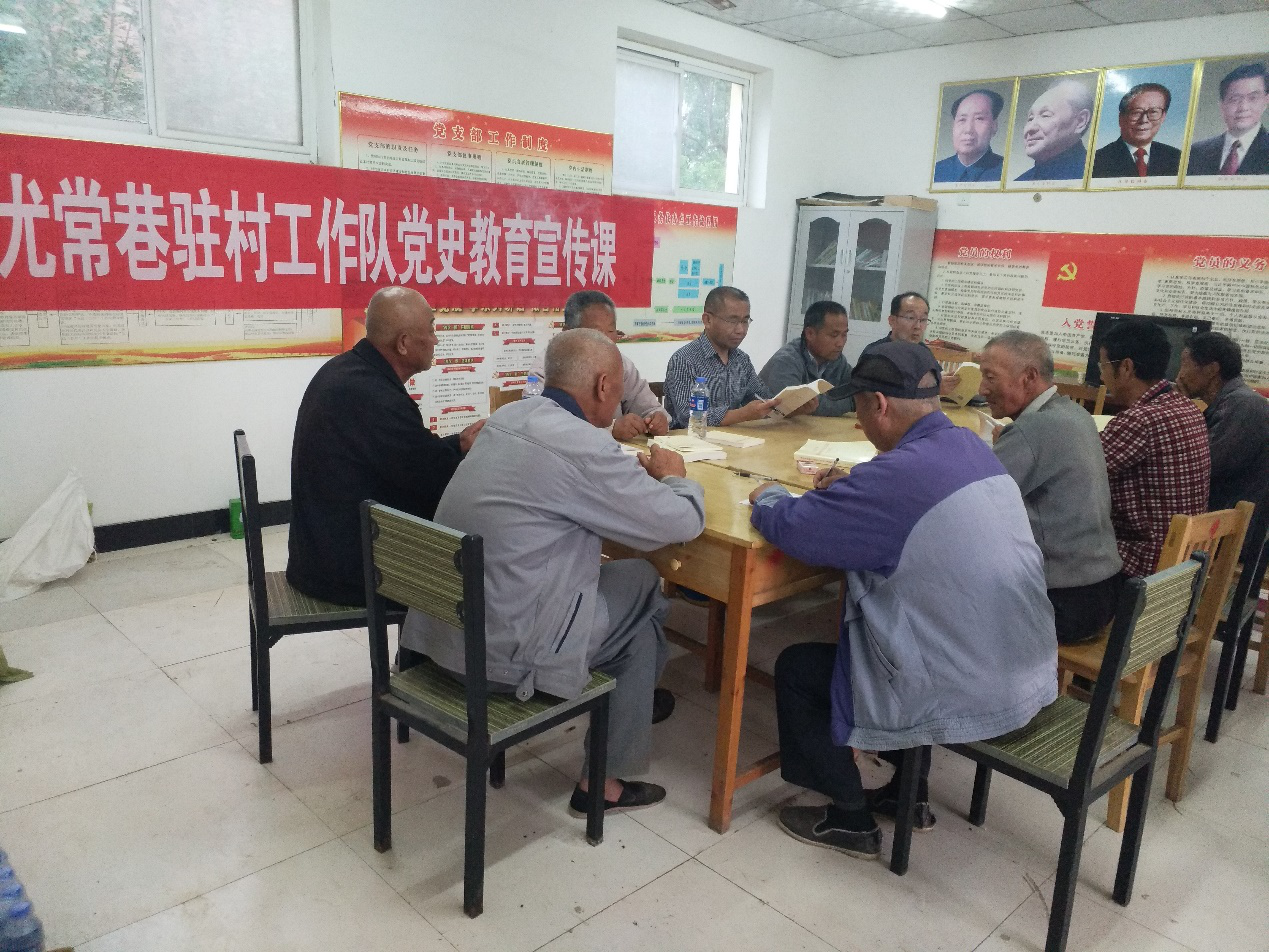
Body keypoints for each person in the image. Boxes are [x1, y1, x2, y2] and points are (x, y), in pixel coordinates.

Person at [749, 341, 1057, 858]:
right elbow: (905, 499)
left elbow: (798, 528)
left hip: (969, 685)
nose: (858, 423)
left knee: (800, 669)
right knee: (916, 637)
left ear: (878, 404)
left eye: (859, 409)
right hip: (1026, 664)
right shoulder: (970, 447)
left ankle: (849, 817)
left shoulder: (894, 478)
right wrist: (858, 489)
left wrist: (768, 496)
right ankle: (908, 795)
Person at [401, 328, 706, 816]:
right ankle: (606, 770)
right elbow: (680, 523)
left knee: (637, 600)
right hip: (502, 656)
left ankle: (623, 733)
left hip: (443, 629)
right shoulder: (582, 447)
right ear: (604, 386)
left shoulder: (508, 417)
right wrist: (674, 477)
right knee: (644, 597)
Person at [287, 287, 483, 606]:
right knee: (482, 568)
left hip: (319, 555)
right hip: (347, 573)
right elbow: (432, 481)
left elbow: (411, 457)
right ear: (403, 343)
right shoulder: (372, 396)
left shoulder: (349, 372)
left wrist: (459, 443)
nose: (435, 340)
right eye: (431, 329)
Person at [978, 331, 1124, 645]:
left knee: (942, 602)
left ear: (1029, 377)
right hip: (1104, 589)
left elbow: (971, 499)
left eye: (990, 377)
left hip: (1063, 602)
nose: (981, 389)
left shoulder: (1035, 428)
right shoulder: (1076, 414)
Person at [1098, 322, 1210, 578]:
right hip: (1185, 562)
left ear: (1126, 367)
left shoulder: (1139, 421)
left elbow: (1074, 475)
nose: (1102, 376)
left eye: (1103, 366)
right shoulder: (1187, 407)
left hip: (1144, 566)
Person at [1175, 331, 1269, 559]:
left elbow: (1202, 467)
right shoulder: (1234, 401)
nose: (1179, 374)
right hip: (1219, 520)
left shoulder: (1244, 406)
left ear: (1211, 369)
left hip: (1228, 531)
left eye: (1185, 364)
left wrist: (1178, 403)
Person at [530, 290, 669, 441]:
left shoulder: (622, 365)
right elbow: (539, 425)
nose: (606, 340)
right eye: (595, 333)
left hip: (618, 451)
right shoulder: (547, 365)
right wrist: (610, 430)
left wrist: (656, 419)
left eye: (611, 331)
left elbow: (648, 407)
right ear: (568, 332)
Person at [663, 285, 788, 429]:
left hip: (733, 437)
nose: (741, 330)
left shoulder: (742, 359)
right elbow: (688, 417)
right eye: (732, 321)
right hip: (689, 439)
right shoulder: (684, 360)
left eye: (745, 321)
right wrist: (742, 414)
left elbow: (762, 396)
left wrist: (788, 405)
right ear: (707, 320)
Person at [758, 299, 854, 416]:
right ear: (810, 334)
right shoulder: (786, 361)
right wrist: (853, 403)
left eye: (844, 335)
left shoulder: (837, 360)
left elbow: (858, 388)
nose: (840, 343)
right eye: (834, 335)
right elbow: (792, 404)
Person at [860, 292, 963, 398]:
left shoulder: (923, 350)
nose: (918, 326)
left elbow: (937, 377)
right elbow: (874, 396)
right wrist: (933, 389)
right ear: (892, 321)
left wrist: (948, 380)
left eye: (923, 320)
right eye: (910, 318)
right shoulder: (875, 353)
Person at [1187, 62, 1269, 177]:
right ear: (1222, 106)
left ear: (1266, 101)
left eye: (1253, 98)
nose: (1243, 107)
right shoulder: (1195, 152)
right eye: (1235, 99)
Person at [1091, 82, 1182, 179]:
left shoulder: (1177, 158)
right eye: (1136, 112)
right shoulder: (1097, 161)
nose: (1144, 120)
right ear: (1121, 117)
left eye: (1153, 112)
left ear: (1163, 117)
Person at [1014, 78, 1094, 181]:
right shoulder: (1020, 182)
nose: (1030, 128)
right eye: (1030, 118)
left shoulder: (1098, 176)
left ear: (1080, 121)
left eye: (1045, 115)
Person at [933, 89, 1005, 183]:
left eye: (979, 119)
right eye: (962, 120)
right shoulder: (936, 172)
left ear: (994, 126)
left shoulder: (1006, 171)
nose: (968, 130)